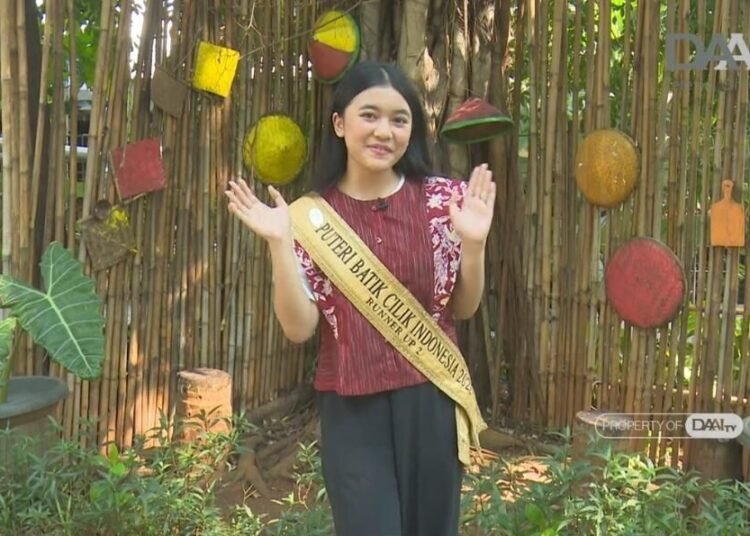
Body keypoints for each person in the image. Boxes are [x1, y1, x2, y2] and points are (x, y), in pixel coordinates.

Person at [225, 61, 495, 536]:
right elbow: (299, 328)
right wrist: (279, 244)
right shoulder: (309, 218)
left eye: (399, 119)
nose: (383, 131)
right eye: (369, 115)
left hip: (431, 398)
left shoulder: (444, 201)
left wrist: (473, 245)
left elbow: (464, 308)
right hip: (351, 408)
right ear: (339, 123)